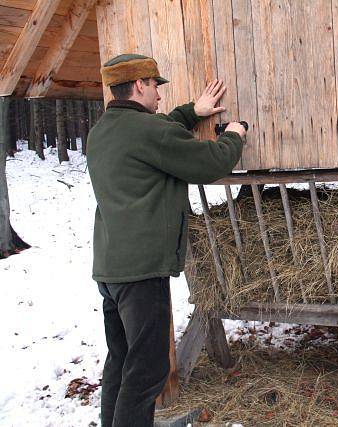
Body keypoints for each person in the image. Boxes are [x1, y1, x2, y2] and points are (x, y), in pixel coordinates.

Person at [86, 53, 245, 427]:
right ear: (140, 85)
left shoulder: (104, 130)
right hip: (142, 272)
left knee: (121, 362)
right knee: (147, 371)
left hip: (111, 269)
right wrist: (235, 136)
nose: (159, 95)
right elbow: (208, 163)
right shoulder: (148, 132)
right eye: (156, 86)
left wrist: (192, 111)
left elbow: (159, 132)